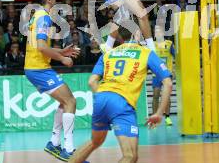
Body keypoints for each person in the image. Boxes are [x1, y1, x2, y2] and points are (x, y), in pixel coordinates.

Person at [68, 26, 173, 163]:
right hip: (122, 102)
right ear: (136, 35)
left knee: (95, 142)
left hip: (102, 97)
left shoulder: (108, 54)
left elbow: (92, 81)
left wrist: (104, 100)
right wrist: (159, 113)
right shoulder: (145, 53)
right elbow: (168, 83)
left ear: (120, 37)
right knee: (130, 156)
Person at [24, 0, 80, 161]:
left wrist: (61, 52)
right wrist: (62, 59)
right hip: (38, 68)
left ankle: (54, 143)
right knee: (70, 101)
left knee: (64, 102)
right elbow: (41, 47)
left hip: (36, 67)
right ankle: (68, 149)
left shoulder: (38, 16)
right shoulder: (44, 18)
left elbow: (39, 46)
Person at [152, 25, 175, 126]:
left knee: (167, 97)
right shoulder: (152, 45)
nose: (157, 33)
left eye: (159, 31)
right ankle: (153, 117)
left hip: (167, 74)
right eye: (156, 31)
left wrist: (174, 70)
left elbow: (176, 56)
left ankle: (167, 117)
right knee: (156, 95)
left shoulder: (169, 44)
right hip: (156, 74)